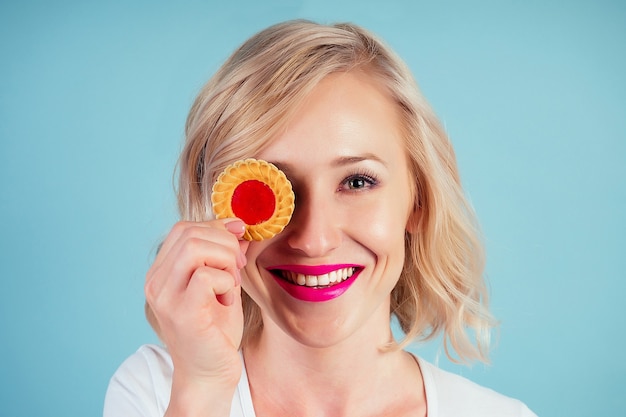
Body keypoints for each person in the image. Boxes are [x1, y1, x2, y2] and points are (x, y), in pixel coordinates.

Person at [104, 19, 537, 417]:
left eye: (358, 182)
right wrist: (203, 389)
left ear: (418, 202)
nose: (313, 240)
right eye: (275, 191)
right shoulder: (157, 392)